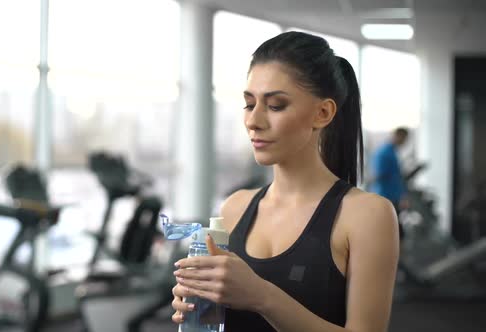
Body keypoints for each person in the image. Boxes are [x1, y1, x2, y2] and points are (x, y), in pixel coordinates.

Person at [170, 31, 399, 332]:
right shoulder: (235, 207)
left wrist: (261, 296)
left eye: (275, 105)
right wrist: (199, 304)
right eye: (249, 104)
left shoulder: (367, 215)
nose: (254, 121)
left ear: (323, 112)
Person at [369, 127, 409, 238]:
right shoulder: (384, 153)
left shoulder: (392, 152)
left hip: (391, 197)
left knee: (396, 231)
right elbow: (377, 175)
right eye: (404, 139)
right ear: (398, 136)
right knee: (390, 232)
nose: (405, 142)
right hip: (385, 197)